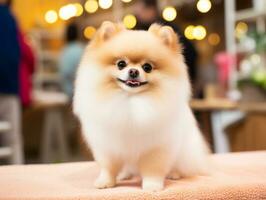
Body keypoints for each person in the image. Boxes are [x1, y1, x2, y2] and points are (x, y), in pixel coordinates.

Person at [134, 0, 199, 92]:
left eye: (140, 10)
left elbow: (191, 53)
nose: (137, 13)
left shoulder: (167, 30)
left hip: (171, 85)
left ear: (151, 10)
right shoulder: (141, 29)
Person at [0, 0, 24, 164]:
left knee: (12, 139)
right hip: (9, 84)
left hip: (9, 84)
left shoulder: (8, 16)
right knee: (13, 140)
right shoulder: (8, 17)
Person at [59, 22, 84, 98]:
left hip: (69, 91)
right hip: (81, 91)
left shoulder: (65, 51)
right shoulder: (82, 49)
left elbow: (64, 73)